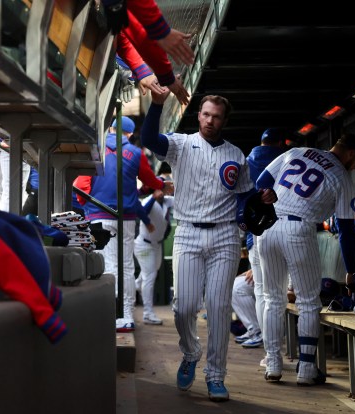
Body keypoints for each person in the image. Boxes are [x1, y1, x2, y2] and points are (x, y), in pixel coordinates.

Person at [141, 89, 277, 402]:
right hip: (187, 232)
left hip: (224, 236)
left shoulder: (236, 155)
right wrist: (157, 103)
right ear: (198, 115)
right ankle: (191, 353)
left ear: (224, 120)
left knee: (218, 308)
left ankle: (216, 375)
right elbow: (149, 138)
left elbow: (245, 197)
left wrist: (263, 197)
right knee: (184, 306)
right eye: (205, 114)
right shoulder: (180, 144)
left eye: (216, 116)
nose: (209, 120)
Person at [256, 133, 355, 386]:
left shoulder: (297, 152)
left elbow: (262, 179)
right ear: (349, 153)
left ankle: (273, 363)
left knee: (273, 298)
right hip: (298, 228)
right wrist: (351, 271)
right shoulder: (341, 175)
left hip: (268, 226)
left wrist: (268, 198)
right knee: (308, 302)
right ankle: (306, 368)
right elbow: (346, 230)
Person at [74, 115, 172, 333]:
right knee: (126, 266)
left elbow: (80, 185)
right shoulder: (136, 153)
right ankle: (126, 315)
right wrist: (160, 185)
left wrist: (88, 205)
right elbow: (150, 181)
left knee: (108, 265)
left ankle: (110, 314)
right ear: (129, 134)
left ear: (111, 129)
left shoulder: (94, 147)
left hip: (99, 215)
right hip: (126, 218)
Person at [244, 128, 286, 363]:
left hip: (257, 234)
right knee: (290, 295)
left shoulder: (247, 162)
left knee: (264, 294)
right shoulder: (285, 158)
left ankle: (271, 354)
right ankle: (304, 358)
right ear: (281, 142)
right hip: (288, 231)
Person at [133, 166, 174, 325]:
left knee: (148, 274)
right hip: (144, 245)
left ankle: (135, 286)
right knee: (150, 277)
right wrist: (154, 196)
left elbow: (176, 200)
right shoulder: (148, 200)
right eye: (161, 186)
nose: (163, 190)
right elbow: (142, 210)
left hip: (156, 245)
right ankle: (148, 313)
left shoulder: (166, 201)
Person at [232, 266, 263, 348]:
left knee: (237, 288)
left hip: (277, 273)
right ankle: (253, 329)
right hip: (264, 268)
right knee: (232, 284)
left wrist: (257, 269)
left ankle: (258, 331)